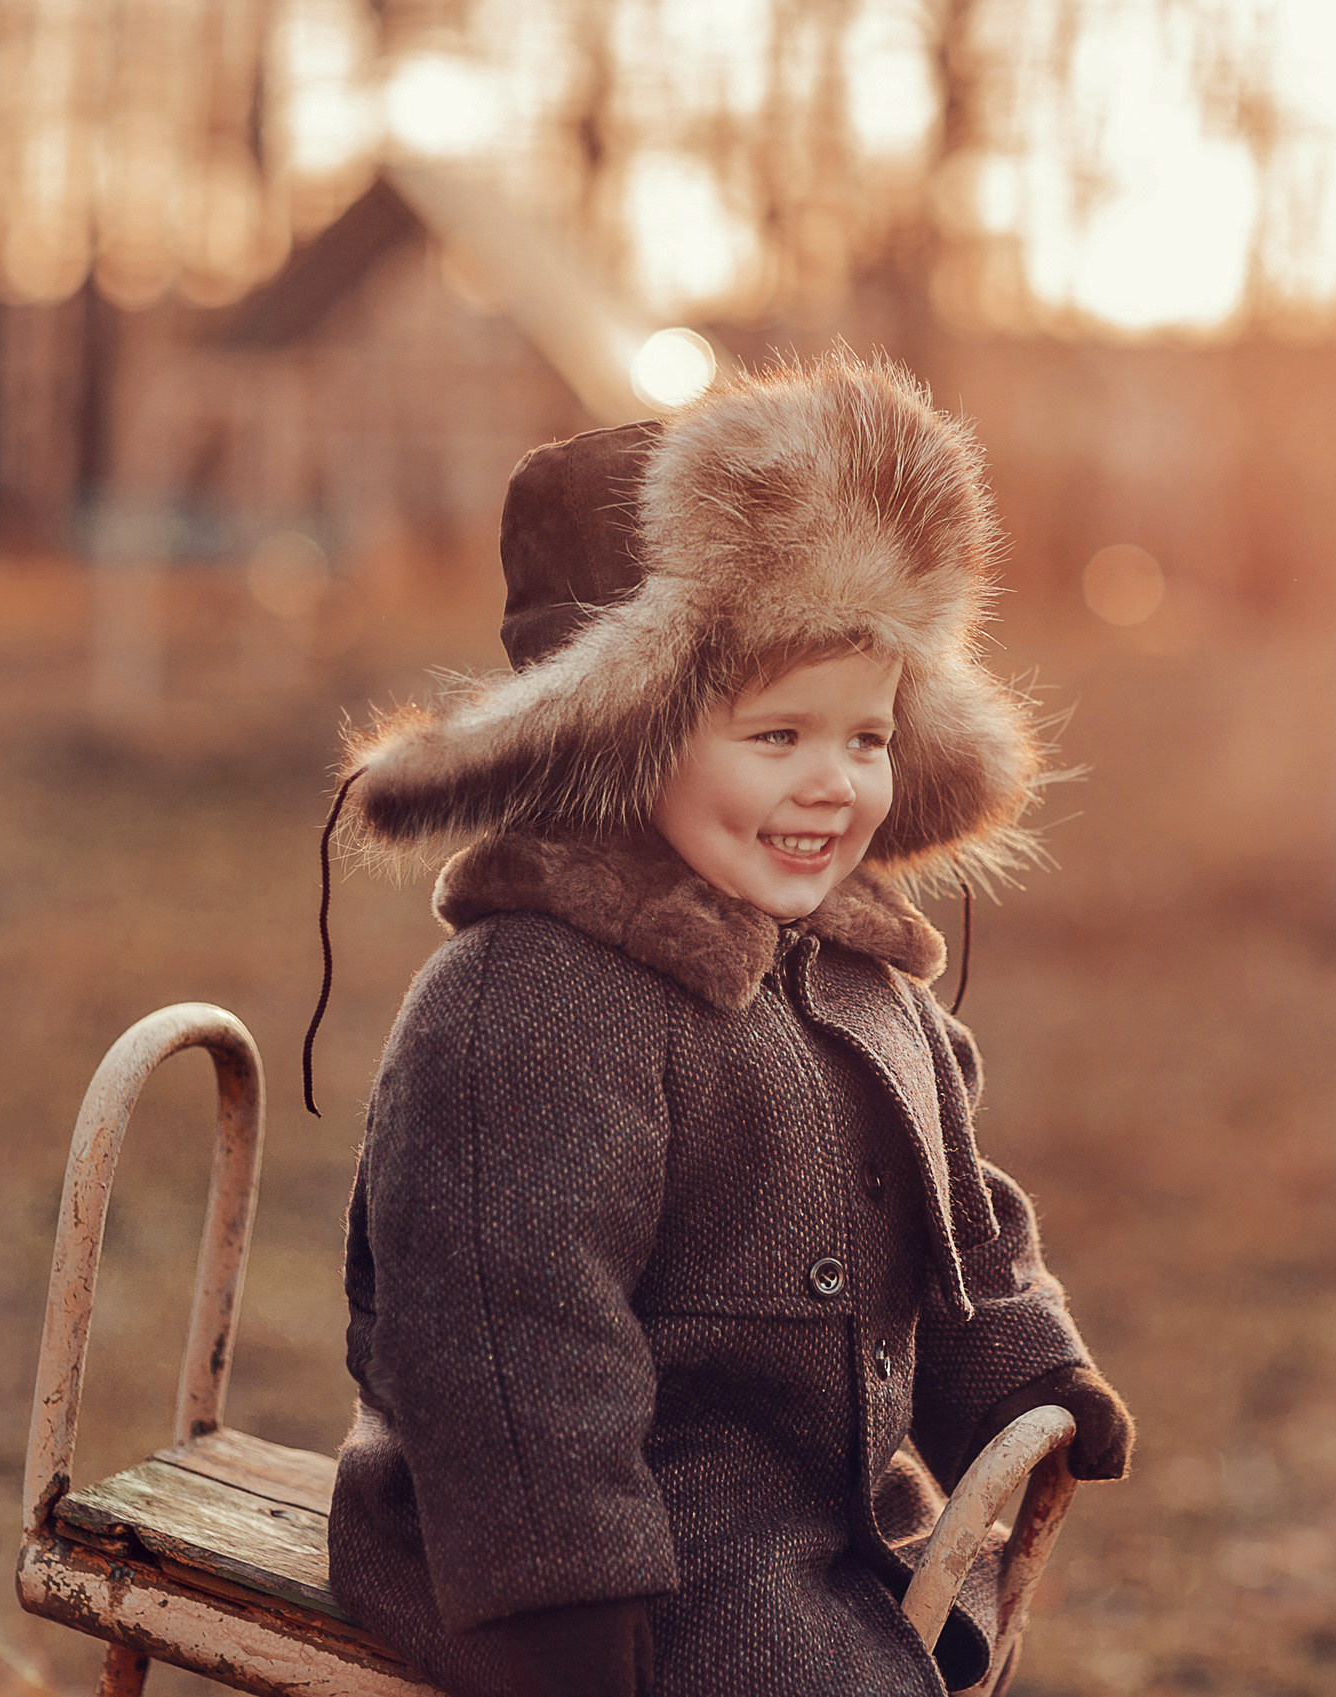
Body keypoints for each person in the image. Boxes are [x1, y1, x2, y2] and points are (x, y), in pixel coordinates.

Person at [321, 354, 1131, 1697]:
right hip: (590, 1569)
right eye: (776, 736)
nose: (835, 784)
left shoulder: (863, 979)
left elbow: (964, 1222)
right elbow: (507, 1338)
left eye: (869, 738)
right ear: (620, 741)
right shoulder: (529, 1008)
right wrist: (564, 1616)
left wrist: (1020, 1368)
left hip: (815, 1525)